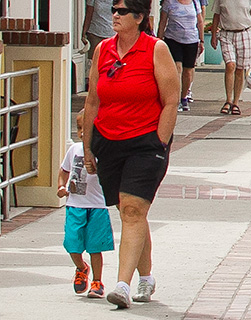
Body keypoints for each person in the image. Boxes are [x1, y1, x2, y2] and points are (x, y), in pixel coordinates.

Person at [82, 0, 181, 308]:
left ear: (139, 17)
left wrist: (159, 142)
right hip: (109, 142)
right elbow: (92, 102)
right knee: (130, 211)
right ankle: (147, 277)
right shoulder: (103, 50)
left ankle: (121, 286)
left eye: (122, 11)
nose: (114, 15)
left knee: (133, 211)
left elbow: (171, 99)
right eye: (113, 9)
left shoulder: (155, 49)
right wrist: (87, 148)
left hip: (145, 143)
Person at [61, 136, 114, 300]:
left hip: (98, 206)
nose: (84, 133)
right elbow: (64, 170)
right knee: (71, 242)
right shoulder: (74, 150)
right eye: (80, 129)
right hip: (75, 205)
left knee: (95, 247)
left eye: (89, 129)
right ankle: (81, 268)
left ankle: (97, 282)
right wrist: (61, 186)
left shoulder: (105, 151)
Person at [209, 0, 251, 115]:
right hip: (226, 33)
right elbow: (216, 15)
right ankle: (228, 100)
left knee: (240, 68)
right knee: (230, 64)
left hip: (244, 33)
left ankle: (236, 102)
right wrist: (213, 35)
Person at [158, 0, 204, 112]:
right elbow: (163, 21)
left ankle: (184, 97)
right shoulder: (169, 3)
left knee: (188, 72)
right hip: (173, 39)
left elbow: (200, 21)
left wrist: (202, 40)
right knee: (177, 68)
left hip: (191, 40)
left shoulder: (194, 2)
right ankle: (176, 98)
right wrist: (159, 39)